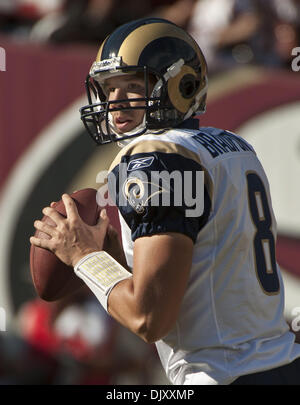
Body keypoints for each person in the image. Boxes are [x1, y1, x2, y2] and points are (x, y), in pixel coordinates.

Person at [30, 17, 300, 385]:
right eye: (109, 89)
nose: (117, 101)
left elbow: (149, 317)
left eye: (132, 85)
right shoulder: (233, 146)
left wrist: (83, 257)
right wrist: (119, 260)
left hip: (224, 375)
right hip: (282, 364)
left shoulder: (154, 157)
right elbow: (205, 268)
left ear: (181, 85)